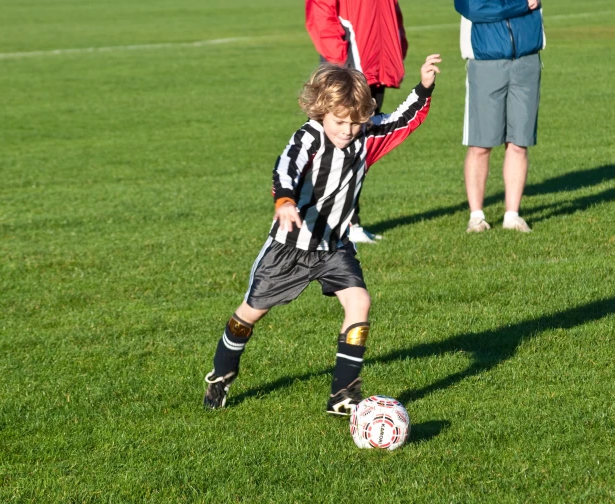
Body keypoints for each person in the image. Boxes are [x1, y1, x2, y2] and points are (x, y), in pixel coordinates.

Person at [204, 55, 442, 415]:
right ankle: (221, 375)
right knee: (250, 314)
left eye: (355, 122)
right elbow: (286, 167)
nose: (347, 130)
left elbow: (401, 120)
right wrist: (284, 201)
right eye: (339, 121)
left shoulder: (365, 136)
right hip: (291, 246)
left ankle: (342, 395)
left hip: (334, 247)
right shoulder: (308, 138)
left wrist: (424, 87)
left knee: (359, 302)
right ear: (320, 111)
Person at [305, 0, 409, 243]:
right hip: (350, 67)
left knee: (359, 146)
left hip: (375, 66)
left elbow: (391, 13)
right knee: (332, 148)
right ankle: (327, 223)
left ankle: (350, 222)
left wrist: (394, 51)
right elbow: (320, 11)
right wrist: (341, 64)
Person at [454, 0, 545, 233]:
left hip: (527, 60)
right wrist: (521, 5)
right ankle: (476, 217)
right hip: (486, 63)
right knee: (480, 144)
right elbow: (474, 8)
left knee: (519, 143)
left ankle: (512, 215)